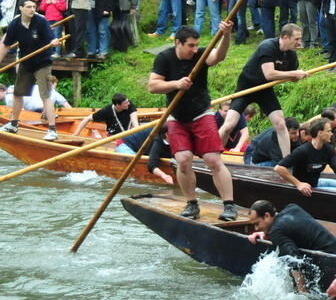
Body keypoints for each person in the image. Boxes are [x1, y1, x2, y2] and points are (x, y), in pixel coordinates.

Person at [148, 23, 238, 220]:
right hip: (177, 116)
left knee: (213, 160)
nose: (194, 49)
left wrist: (226, 35)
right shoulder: (164, 58)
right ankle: (191, 204)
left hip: (201, 113)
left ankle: (229, 206)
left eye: (197, 45)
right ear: (178, 43)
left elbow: (219, 56)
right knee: (183, 159)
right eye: (190, 45)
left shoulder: (200, 55)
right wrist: (176, 84)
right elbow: (153, 86)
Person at [218, 24, 307, 158]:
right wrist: (294, 73)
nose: (299, 42)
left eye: (300, 39)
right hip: (247, 87)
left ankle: (287, 161)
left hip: (265, 89)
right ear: (286, 37)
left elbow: (291, 78)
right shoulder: (268, 46)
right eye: (297, 39)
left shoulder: (291, 56)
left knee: (280, 123)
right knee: (229, 124)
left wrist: (297, 76)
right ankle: (211, 154)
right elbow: (269, 74)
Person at [247, 200, 336, 292]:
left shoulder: (276, 232)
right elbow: (290, 229)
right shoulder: (292, 208)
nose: (256, 228)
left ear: (267, 216)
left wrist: (303, 292)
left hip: (332, 264)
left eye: (257, 224)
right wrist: (266, 232)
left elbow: (293, 260)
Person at [0, 0, 61, 141]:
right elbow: (6, 45)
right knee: (17, 93)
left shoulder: (41, 21)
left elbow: (52, 39)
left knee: (45, 95)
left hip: (42, 62)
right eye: (28, 7)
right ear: (21, 8)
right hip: (25, 62)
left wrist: (54, 42)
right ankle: (13, 124)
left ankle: (52, 130)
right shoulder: (15, 24)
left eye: (34, 7)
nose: (32, 9)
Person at [275, 117, 336, 195]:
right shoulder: (302, 151)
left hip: (316, 183)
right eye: (329, 131)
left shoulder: (329, 149)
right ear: (320, 133)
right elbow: (279, 168)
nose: (331, 134)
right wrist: (298, 184)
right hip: (304, 188)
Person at [72, 93, 138, 137]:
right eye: (125, 103)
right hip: (113, 137)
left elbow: (134, 120)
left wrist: (137, 130)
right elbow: (87, 119)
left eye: (128, 101)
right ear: (118, 105)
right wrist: (76, 134)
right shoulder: (107, 110)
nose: (128, 103)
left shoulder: (130, 105)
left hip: (129, 135)